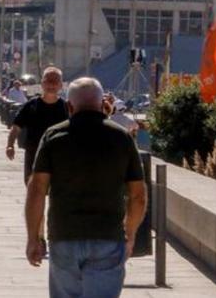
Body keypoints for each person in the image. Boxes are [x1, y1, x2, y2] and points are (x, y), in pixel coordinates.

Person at [26, 77, 147, 298]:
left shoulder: (54, 136)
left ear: (69, 107)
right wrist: (130, 233)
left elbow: (37, 190)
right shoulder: (122, 138)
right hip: (108, 237)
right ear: (103, 104)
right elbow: (137, 195)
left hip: (64, 235)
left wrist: (34, 237)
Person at [7, 67, 69, 184]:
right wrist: (10, 145)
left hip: (58, 157)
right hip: (33, 154)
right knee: (33, 190)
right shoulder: (31, 105)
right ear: (42, 84)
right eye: (48, 81)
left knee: (56, 193)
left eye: (55, 81)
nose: (51, 84)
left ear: (61, 85)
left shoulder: (67, 108)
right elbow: (16, 127)